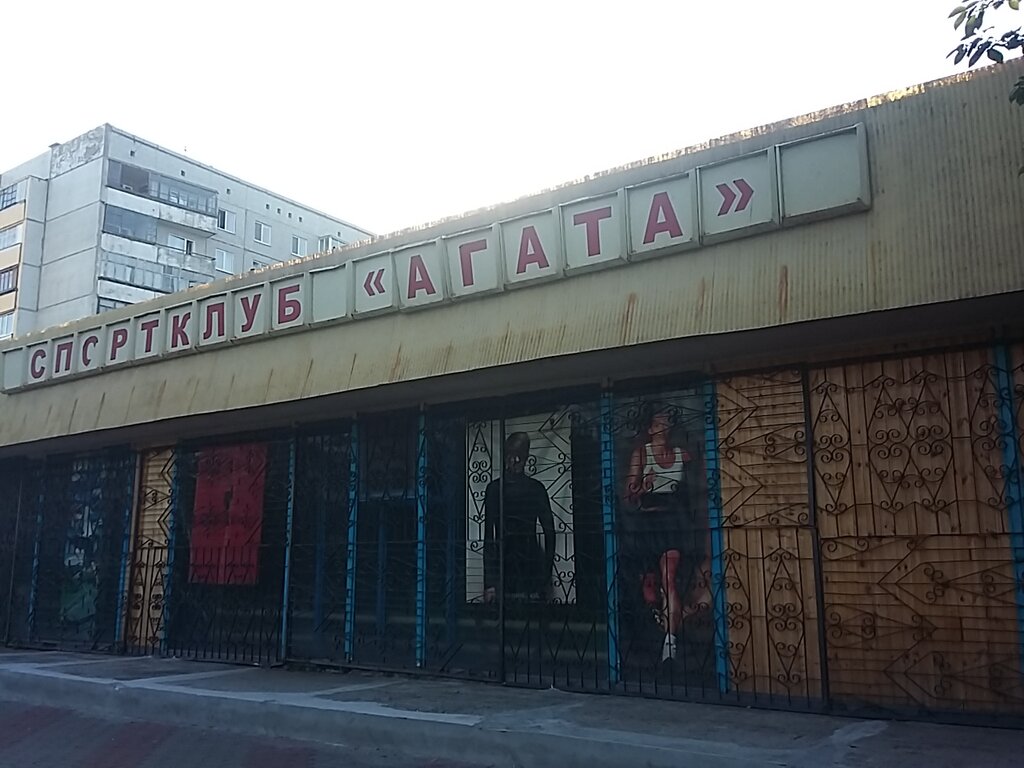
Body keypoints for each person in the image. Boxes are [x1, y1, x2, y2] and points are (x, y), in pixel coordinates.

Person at [624, 406, 711, 662]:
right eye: (660, 422)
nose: (665, 426)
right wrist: (644, 485)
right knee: (649, 586)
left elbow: (700, 484)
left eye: (668, 422)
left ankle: (670, 643)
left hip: (673, 520)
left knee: (669, 578)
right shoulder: (642, 453)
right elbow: (629, 496)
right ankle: (656, 623)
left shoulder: (682, 454)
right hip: (648, 522)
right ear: (650, 428)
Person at [482, 432, 556, 603]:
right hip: (506, 564)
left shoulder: (535, 489)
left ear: (526, 457)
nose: (515, 461)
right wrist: (490, 581)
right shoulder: (495, 489)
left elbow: (550, 533)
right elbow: (489, 537)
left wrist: (545, 575)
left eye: (519, 456)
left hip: (528, 564)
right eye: (511, 455)